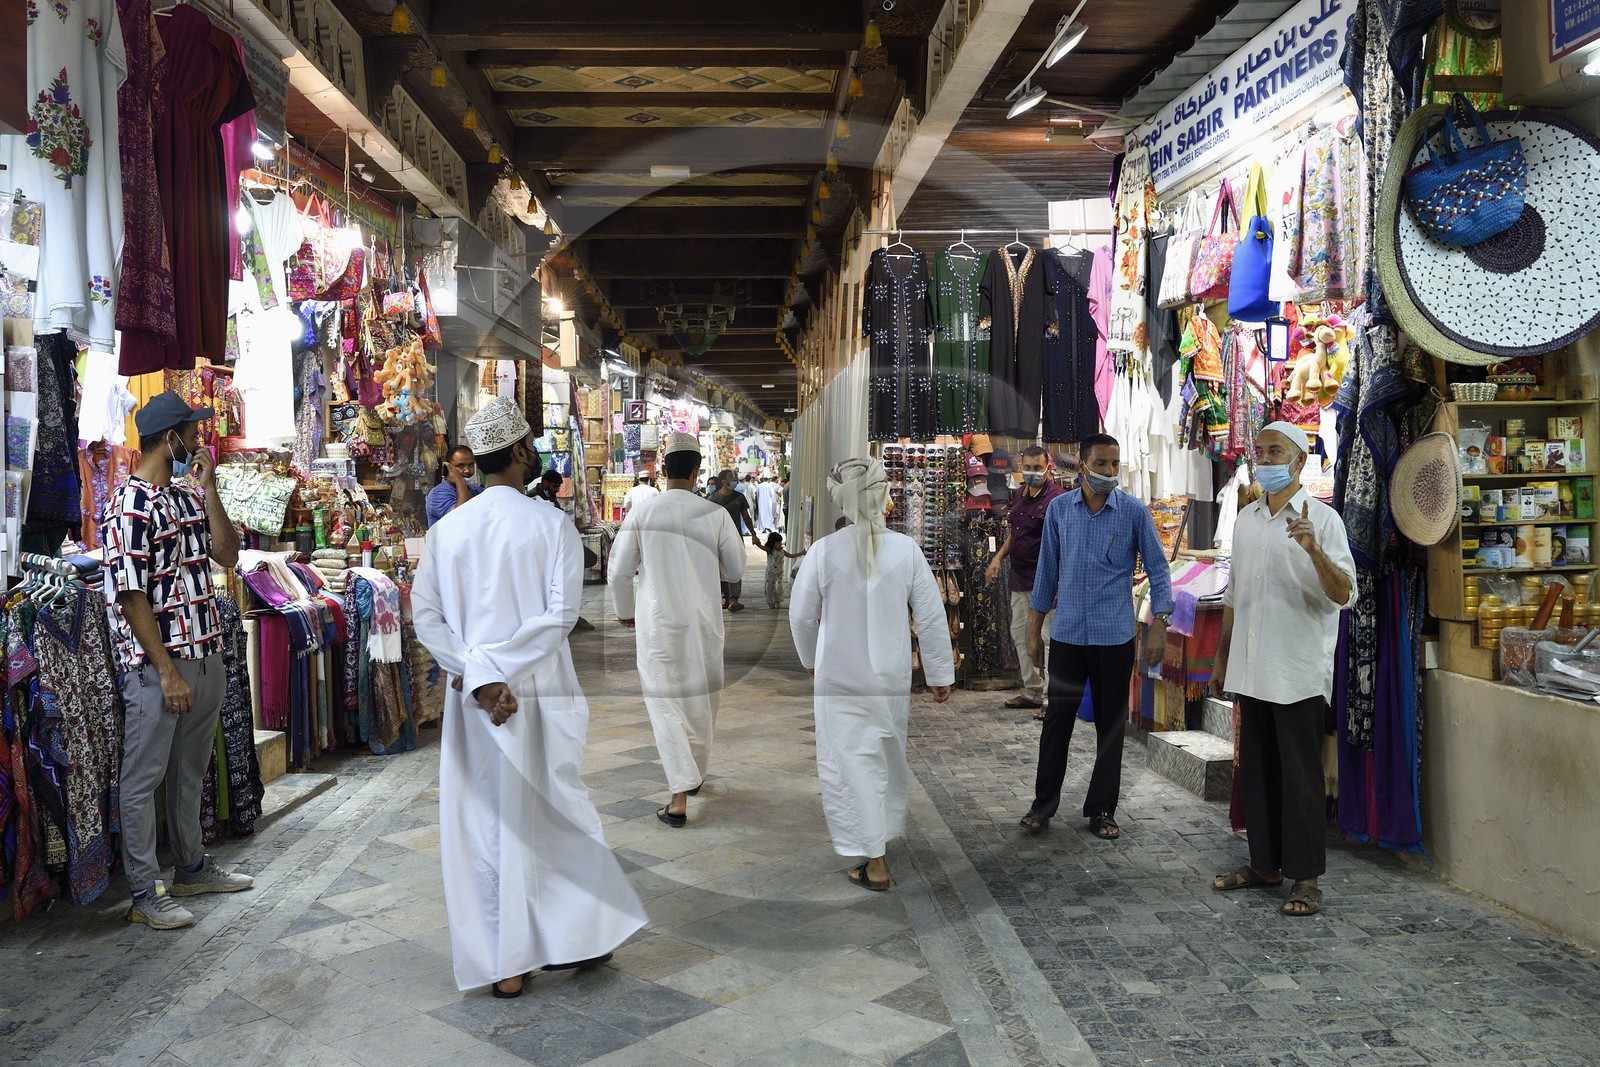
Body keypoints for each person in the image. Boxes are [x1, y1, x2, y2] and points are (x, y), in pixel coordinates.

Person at [412, 397, 647, 996]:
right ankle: (572, 937)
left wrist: (479, 674)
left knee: (485, 822)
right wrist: (500, 674)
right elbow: (561, 616)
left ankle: (508, 963)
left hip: (475, 698)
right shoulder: (551, 525)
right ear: (518, 451)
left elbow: (427, 618)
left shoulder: (445, 532)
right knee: (556, 813)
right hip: (536, 691)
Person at [102, 392, 249, 930]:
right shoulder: (127, 505)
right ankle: (145, 892)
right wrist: (165, 671)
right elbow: (130, 595)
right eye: (191, 433)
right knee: (143, 779)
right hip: (158, 667)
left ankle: (190, 867)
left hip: (205, 652)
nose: (198, 440)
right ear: (170, 440)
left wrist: (209, 490)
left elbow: (227, 553)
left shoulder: (187, 494)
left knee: (190, 770)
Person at [790, 457, 955, 891]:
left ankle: (874, 858)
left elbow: (801, 617)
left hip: (838, 678)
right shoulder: (906, 550)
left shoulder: (823, 551)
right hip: (890, 679)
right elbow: (931, 616)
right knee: (884, 756)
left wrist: (810, 660)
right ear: (883, 497)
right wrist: (939, 674)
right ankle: (878, 842)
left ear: (842, 501)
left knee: (848, 761)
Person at [1210, 421, 1354, 918]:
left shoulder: (1325, 521)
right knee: (1257, 774)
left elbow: (1344, 594)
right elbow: (1234, 595)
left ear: (1298, 461)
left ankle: (1306, 878)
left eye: (1276, 452)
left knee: (1300, 779)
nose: (1266, 460)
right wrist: (1222, 657)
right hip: (1252, 669)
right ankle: (1265, 865)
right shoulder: (1247, 520)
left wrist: (1313, 550)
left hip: (1297, 671)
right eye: (1261, 451)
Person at [1019, 433, 1174, 842]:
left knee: (1110, 726)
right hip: (1068, 636)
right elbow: (1046, 573)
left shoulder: (1133, 512)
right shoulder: (1059, 511)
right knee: (1057, 722)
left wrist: (1160, 623)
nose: (1109, 471)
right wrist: (1034, 631)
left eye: (1114, 464)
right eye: (1101, 463)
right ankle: (1043, 804)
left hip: (1114, 638)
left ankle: (1102, 808)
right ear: (1083, 464)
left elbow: (1159, 569)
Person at [609, 434, 747, 828]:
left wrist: (625, 613)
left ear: (663, 469)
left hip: (657, 625)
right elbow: (735, 570)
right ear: (697, 471)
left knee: (665, 705)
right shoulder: (715, 514)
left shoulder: (643, 513)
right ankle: (693, 776)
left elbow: (618, 572)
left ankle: (679, 797)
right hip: (704, 623)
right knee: (702, 701)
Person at [986, 445, 1065, 720]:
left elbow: (1065, 543)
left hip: (1046, 580)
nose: (1032, 473)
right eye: (1027, 468)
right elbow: (1016, 533)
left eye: (1037, 468)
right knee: (1019, 634)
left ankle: (1052, 700)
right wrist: (998, 557)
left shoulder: (1058, 499)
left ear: (1048, 467)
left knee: (1048, 639)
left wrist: (1059, 584)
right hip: (1020, 578)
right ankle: (1033, 691)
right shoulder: (1020, 495)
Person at [709, 470, 761, 611]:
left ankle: (733, 599)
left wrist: (753, 533)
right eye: (731, 477)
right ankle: (726, 598)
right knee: (720, 568)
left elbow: (746, 516)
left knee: (735, 566)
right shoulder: (713, 498)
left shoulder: (740, 497)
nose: (735, 479)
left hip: (736, 537)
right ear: (724, 481)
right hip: (718, 538)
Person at [426, 445, 482, 527]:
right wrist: (459, 480)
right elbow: (461, 518)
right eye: (461, 466)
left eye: (470, 465)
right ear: (447, 468)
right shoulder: (437, 495)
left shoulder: (478, 491)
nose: (467, 470)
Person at [762, 531, 805, 609]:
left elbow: (791, 555)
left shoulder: (782, 551)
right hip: (770, 573)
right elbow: (762, 547)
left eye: (780, 542)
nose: (780, 544)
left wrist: (801, 553)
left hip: (779, 573)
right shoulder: (770, 551)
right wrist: (756, 542)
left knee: (778, 587)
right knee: (769, 588)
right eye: (778, 542)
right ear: (773, 543)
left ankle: (777, 601)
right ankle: (770, 602)